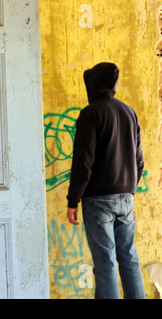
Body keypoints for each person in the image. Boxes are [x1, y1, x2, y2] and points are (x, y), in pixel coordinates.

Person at [66, 62, 146, 299]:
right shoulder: (129, 112)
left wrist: (73, 200)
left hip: (98, 200)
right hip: (127, 199)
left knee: (105, 263)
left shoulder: (90, 113)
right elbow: (139, 160)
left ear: (93, 84)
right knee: (129, 258)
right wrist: (128, 189)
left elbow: (83, 162)